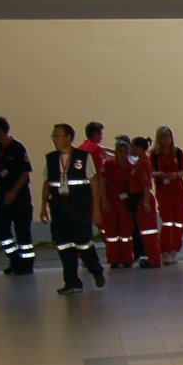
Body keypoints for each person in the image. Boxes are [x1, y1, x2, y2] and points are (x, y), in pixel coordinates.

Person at [40, 123, 106, 295]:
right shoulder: (51, 158)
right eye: (53, 136)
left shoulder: (83, 157)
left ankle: (96, 270)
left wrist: (96, 209)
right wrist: (42, 207)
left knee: (83, 242)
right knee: (63, 244)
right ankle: (71, 281)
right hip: (58, 207)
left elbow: (93, 183)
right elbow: (47, 183)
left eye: (57, 135)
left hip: (78, 207)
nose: (54, 139)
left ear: (68, 137)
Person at [0, 116, 34, 275]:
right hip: (3, 193)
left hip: (19, 195)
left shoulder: (17, 148)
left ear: (0, 130)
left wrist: (14, 192)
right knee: (0, 225)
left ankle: (26, 264)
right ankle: (14, 259)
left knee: (22, 230)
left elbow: (25, 173)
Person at [152, 125, 183, 264]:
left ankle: (175, 249)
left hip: (178, 190)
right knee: (167, 221)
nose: (166, 139)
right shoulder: (155, 154)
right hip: (163, 192)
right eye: (163, 136)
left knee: (179, 221)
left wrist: (176, 174)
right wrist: (161, 174)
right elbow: (151, 171)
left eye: (168, 136)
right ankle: (164, 249)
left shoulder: (177, 152)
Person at [100, 134, 134, 267]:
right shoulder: (108, 165)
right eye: (120, 151)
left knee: (126, 232)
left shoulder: (131, 167)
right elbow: (102, 183)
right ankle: (113, 259)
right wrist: (104, 201)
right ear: (116, 152)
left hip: (125, 204)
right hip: (111, 202)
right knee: (111, 233)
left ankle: (127, 257)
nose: (123, 154)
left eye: (125, 151)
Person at [128, 136, 162, 268]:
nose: (131, 149)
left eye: (133, 146)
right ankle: (150, 257)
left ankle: (154, 259)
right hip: (138, 198)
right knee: (143, 231)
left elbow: (146, 185)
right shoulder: (138, 162)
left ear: (140, 148)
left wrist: (146, 202)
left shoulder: (144, 163)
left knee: (149, 231)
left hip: (143, 198)